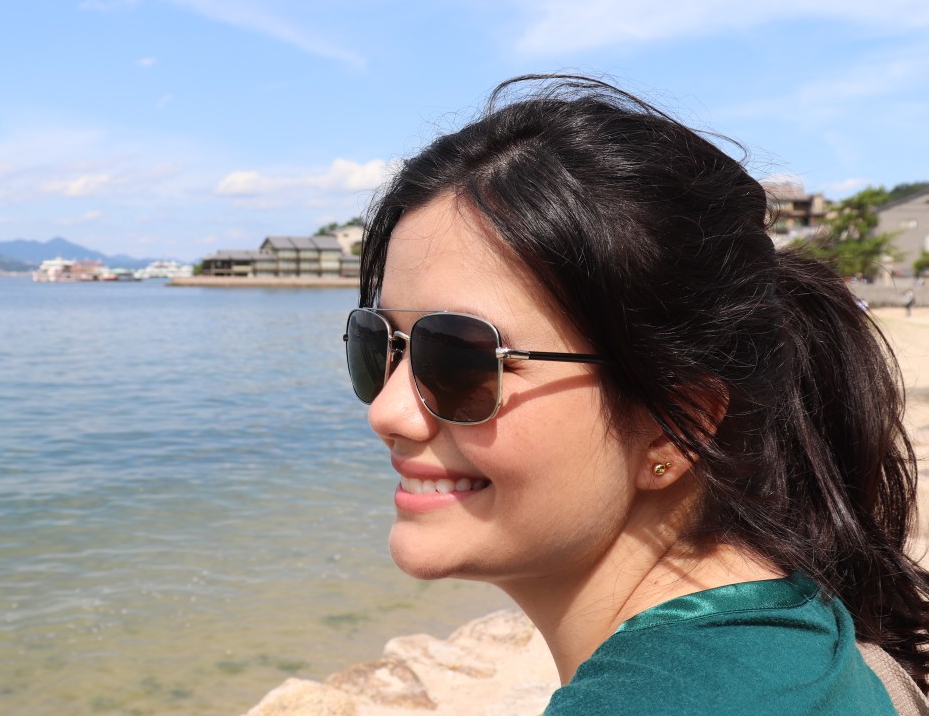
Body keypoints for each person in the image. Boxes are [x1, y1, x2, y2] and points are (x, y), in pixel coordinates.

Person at [342, 75, 929, 714]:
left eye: (460, 358)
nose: (388, 412)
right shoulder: (799, 641)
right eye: (379, 345)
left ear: (677, 427)